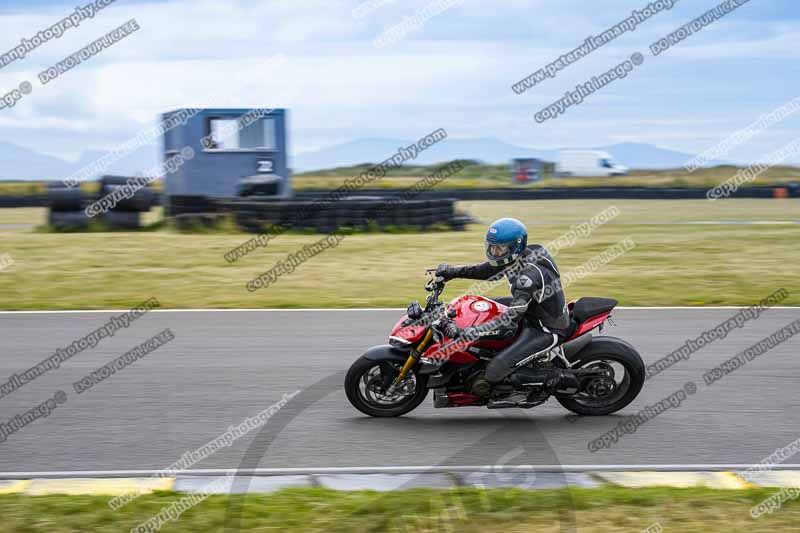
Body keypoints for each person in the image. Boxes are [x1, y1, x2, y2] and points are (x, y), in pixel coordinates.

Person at [435, 217, 570, 387]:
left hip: (545, 327)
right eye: (491, 247)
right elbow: (487, 270)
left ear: (515, 246)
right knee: (476, 305)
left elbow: (507, 325)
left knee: (495, 371)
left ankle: (556, 379)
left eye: (499, 248)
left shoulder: (527, 278)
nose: (494, 252)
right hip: (531, 309)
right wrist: (452, 272)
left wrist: (464, 333)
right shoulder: (519, 256)